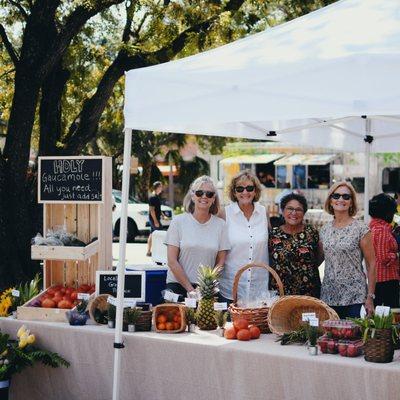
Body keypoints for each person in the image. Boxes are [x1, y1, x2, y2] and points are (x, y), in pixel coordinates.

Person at [165, 176, 230, 298]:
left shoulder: (221, 225)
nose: (204, 196)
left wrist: (204, 287)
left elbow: (220, 262)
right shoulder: (178, 222)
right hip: (177, 286)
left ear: (213, 199)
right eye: (200, 193)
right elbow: (172, 261)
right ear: (193, 196)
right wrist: (190, 290)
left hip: (206, 289)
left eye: (209, 194)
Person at [320, 181, 376, 319]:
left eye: (346, 197)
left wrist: (370, 297)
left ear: (351, 202)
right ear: (330, 201)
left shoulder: (361, 229)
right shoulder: (324, 230)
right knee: (331, 339)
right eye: (336, 196)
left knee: (354, 339)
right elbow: (319, 259)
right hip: (329, 296)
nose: (341, 199)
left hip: (355, 297)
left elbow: (372, 264)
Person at [218, 170, 269, 305]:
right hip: (231, 288)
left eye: (249, 188)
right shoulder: (225, 213)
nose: (245, 192)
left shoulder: (263, 212)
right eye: (240, 188)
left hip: (259, 288)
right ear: (234, 192)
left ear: (255, 191)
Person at [269, 193, 323, 298]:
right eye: (290, 208)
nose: (294, 213)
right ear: (283, 211)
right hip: (280, 293)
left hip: (308, 292)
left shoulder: (312, 232)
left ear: (304, 213)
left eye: (298, 209)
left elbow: (319, 258)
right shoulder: (274, 234)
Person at [369, 193, 399, 308]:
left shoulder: (373, 227)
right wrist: (397, 255)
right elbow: (384, 257)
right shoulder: (381, 230)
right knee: (390, 318)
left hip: (378, 281)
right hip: (386, 280)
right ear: (387, 212)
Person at [146, 181, 164, 257]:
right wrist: (156, 221)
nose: (162, 188)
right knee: (159, 234)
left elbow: (157, 208)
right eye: (161, 187)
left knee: (152, 234)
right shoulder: (153, 197)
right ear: (157, 188)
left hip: (155, 218)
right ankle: (157, 252)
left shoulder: (156, 197)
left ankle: (149, 252)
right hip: (154, 219)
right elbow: (152, 210)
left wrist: (162, 214)